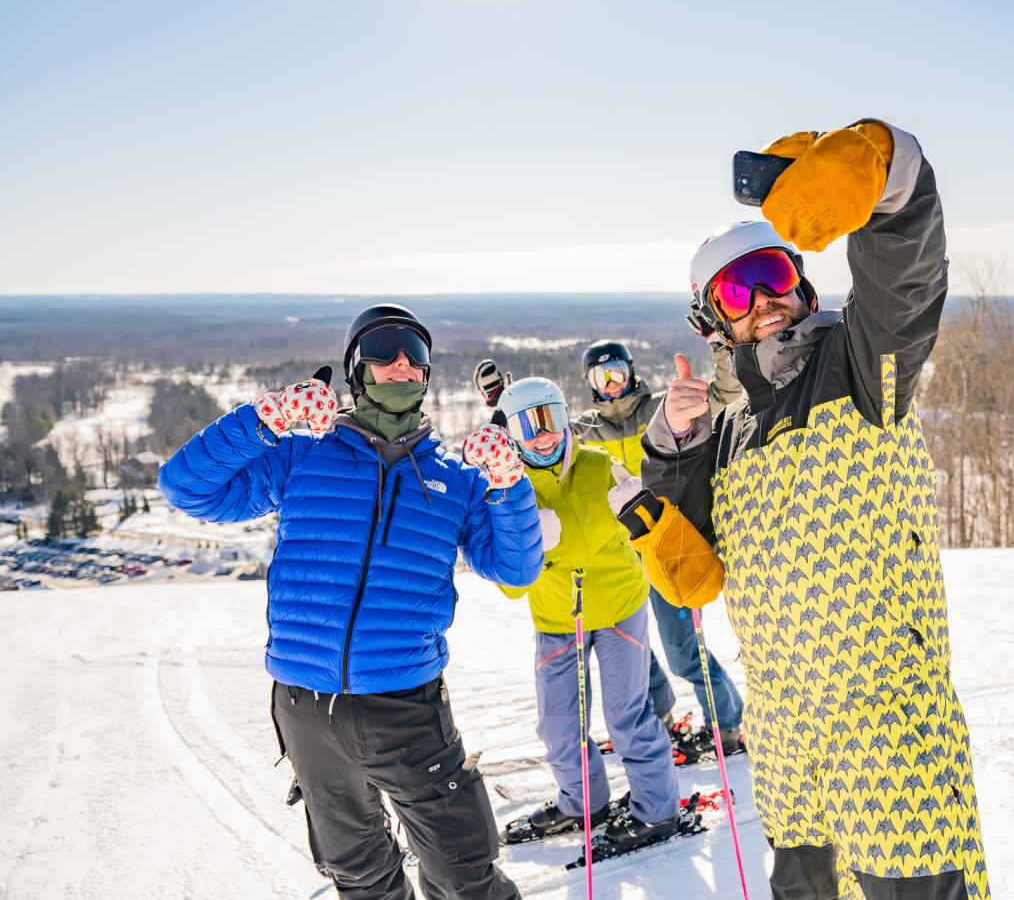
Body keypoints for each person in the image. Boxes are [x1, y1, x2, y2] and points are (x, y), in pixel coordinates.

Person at [642, 122, 991, 899]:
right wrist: (671, 443)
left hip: (887, 730)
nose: (763, 301)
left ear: (802, 282)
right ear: (713, 323)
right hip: (785, 738)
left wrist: (889, 180)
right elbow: (689, 555)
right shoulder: (729, 432)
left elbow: (905, 280)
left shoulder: (862, 367)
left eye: (772, 275)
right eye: (737, 291)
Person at [159, 303, 543, 900]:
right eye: (384, 349)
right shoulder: (302, 454)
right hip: (307, 707)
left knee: (466, 875)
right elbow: (187, 487)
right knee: (359, 876)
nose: (400, 364)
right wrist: (266, 419)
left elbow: (515, 566)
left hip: (408, 707)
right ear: (354, 367)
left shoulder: (456, 476)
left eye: (414, 354)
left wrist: (509, 485)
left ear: (427, 374)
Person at [494, 376, 681, 848]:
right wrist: (528, 546)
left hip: (619, 609)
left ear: (564, 416)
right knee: (559, 726)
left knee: (627, 717)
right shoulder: (508, 489)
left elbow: (648, 532)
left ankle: (657, 812)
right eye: (527, 425)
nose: (543, 435)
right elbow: (511, 587)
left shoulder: (602, 467)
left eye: (550, 419)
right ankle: (583, 803)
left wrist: (642, 510)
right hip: (557, 620)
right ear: (511, 432)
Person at [572, 337, 745, 758]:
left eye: (619, 372)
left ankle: (726, 723)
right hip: (619, 558)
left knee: (683, 648)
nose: (613, 383)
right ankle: (663, 716)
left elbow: (723, 396)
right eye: (602, 376)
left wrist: (724, 352)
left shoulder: (659, 408)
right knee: (633, 650)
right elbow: (545, 443)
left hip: (667, 548)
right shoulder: (586, 430)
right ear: (591, 383)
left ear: (632, 372)